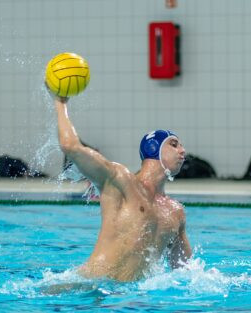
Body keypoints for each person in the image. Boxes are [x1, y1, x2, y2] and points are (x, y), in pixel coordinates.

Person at [53, 95, 192, 282]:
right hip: (87, 286)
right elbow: (70, 146)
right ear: (153, 148)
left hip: (127, 300)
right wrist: (60, 102)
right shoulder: (121, 181)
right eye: (174, 145)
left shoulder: (176, 213)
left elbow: (185, 275)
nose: (182, 151)